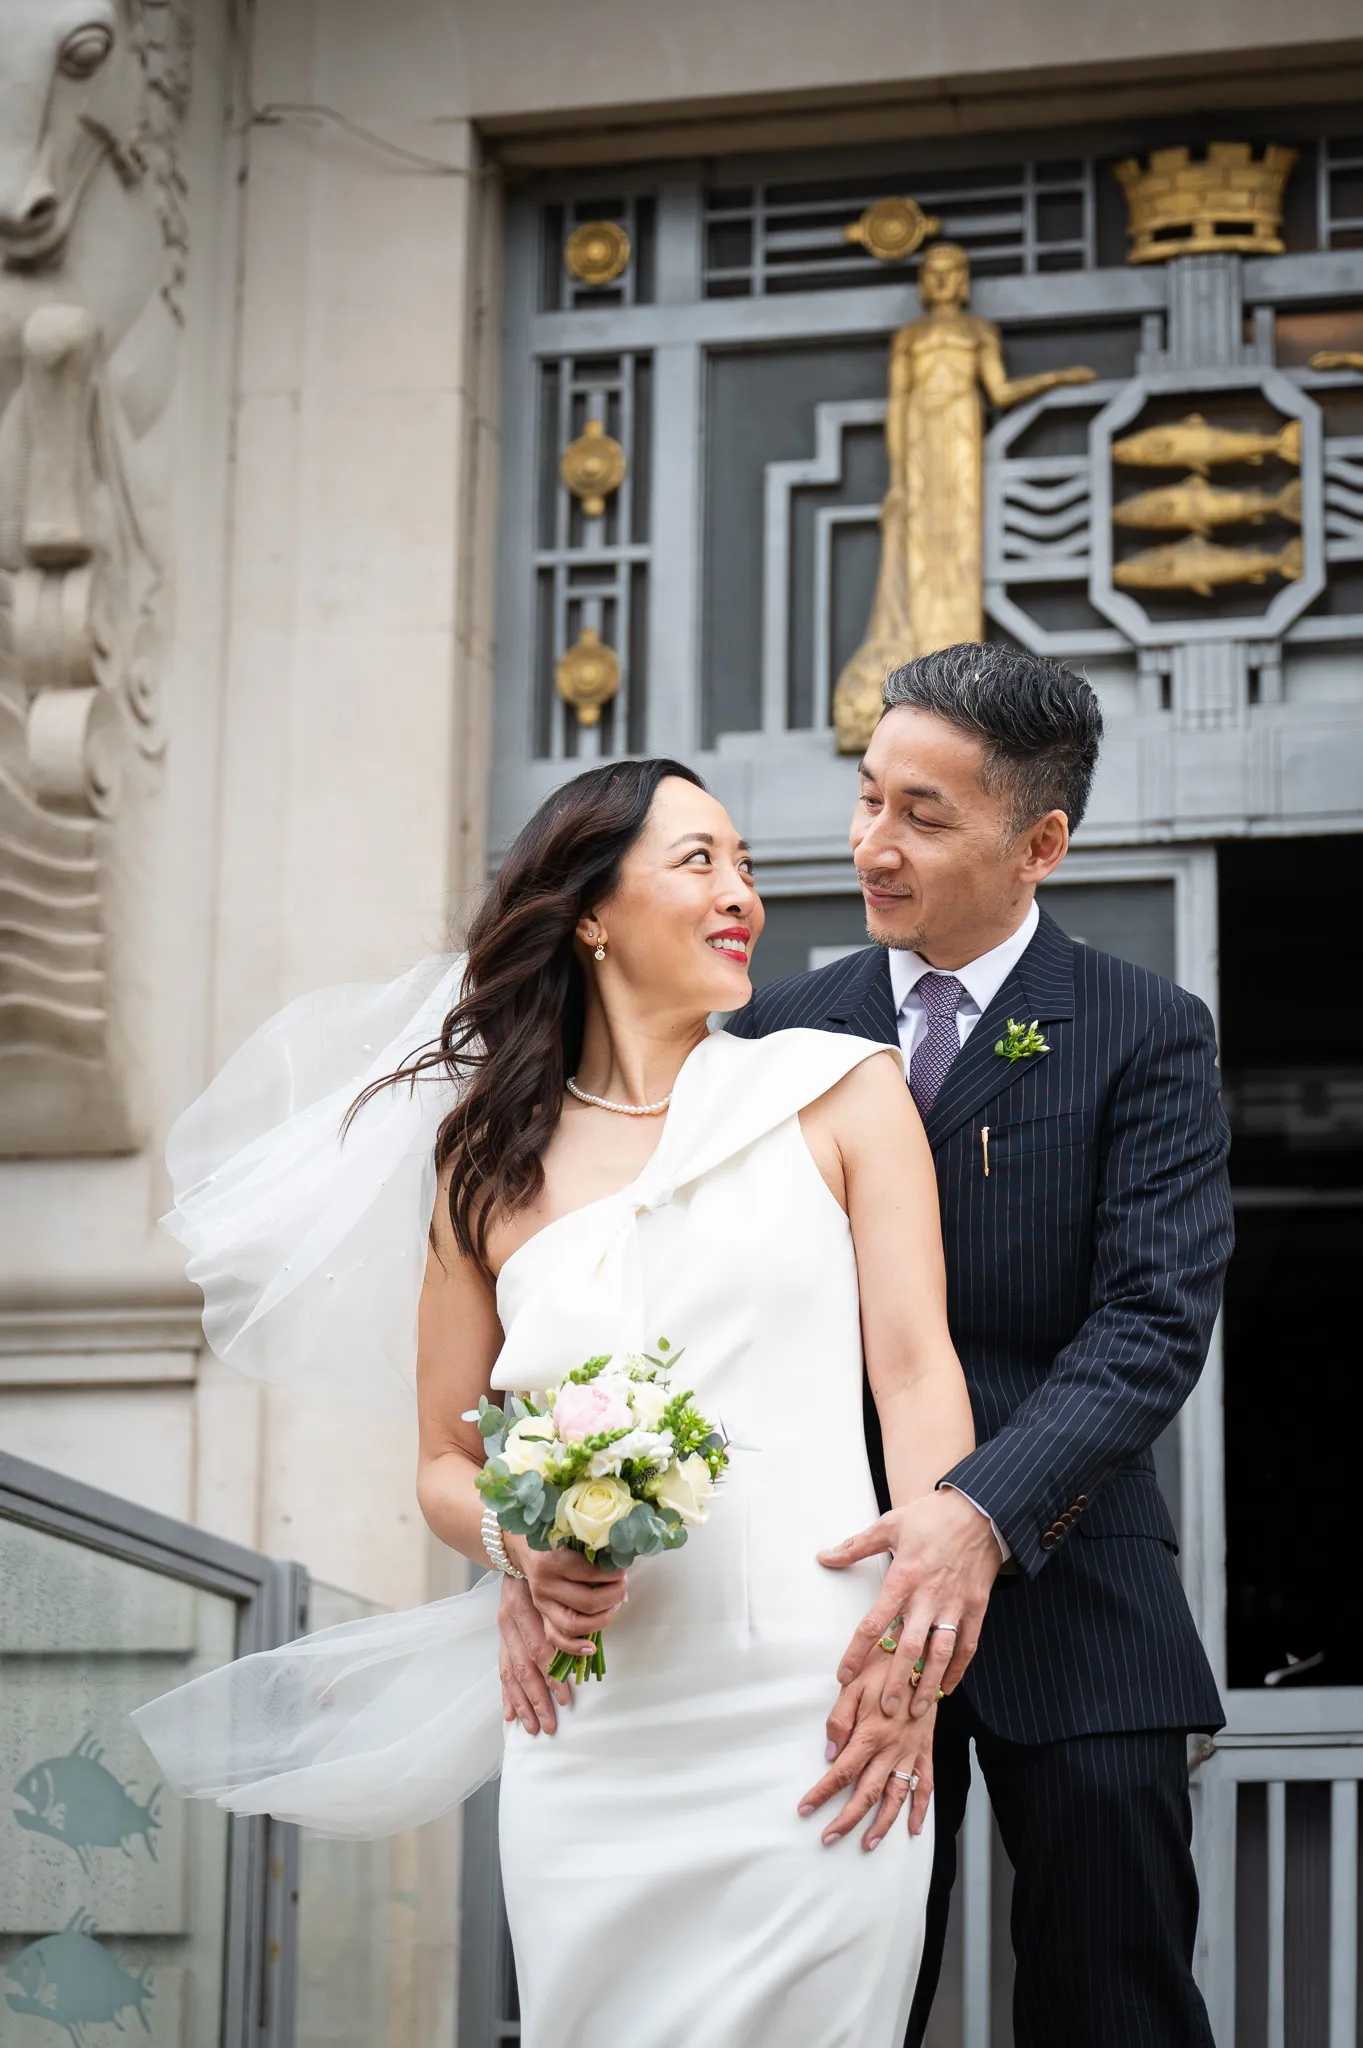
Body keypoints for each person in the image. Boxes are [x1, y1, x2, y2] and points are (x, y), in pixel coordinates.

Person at [135, 756, 980, 2048]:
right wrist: (518, 1547)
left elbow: (916, 1374)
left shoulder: (837, 1090)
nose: (741, 892)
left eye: (744, 864)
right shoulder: (483, 1166)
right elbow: (440, 1459)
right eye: (699, 861)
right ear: (589, 910)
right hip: (596, 1721)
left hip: (820, 1699)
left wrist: (914, 1658)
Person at [735, 642, 1232, 2046]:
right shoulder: (776, 1033)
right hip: (838, 1605)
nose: (868, 846)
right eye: (867, 797)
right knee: (845, 2002)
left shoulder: (1142, 1031)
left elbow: (1148, 1327)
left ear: (1041, 844)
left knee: (1113, 2003)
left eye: (921, 815)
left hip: (1077, 1600)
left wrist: (978, 1511)